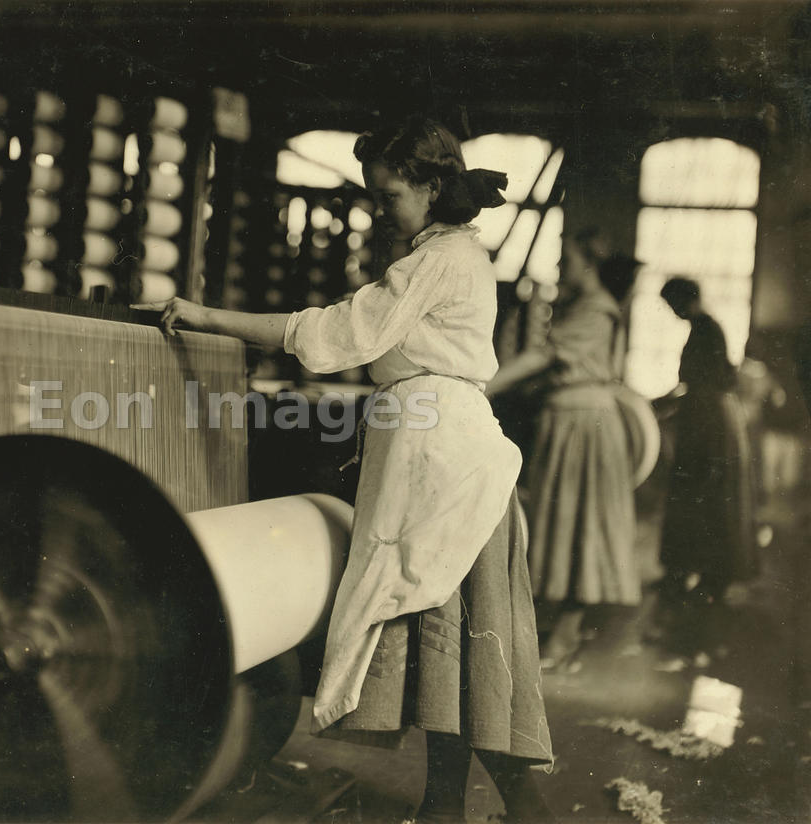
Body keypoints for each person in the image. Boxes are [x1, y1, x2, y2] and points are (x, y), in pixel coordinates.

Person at [136, 115, 553, 823]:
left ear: (430, 187)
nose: (380, 210)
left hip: (444, 471)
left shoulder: (439, 259)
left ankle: (527, 814)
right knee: (446, 659)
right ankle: (444, 807)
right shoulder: (447, 253)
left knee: (462, 655)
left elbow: (336, 332)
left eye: (389, 196)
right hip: (438, 455)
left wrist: (206, 318)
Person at [485, 228, 639, 671]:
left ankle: (568, 634)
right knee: (561, 525)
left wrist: (485, 386)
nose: (558, 267)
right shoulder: (582, 307)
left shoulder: (597, 310)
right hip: (567, 422)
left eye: (565, 260)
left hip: (585, 426)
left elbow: (542, 357)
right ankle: (560, 628)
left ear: (588, 265)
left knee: (580, 526)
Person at [658, 277, 756, 608]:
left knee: (708, 493)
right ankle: (694, 570)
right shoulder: (701, 327)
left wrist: (668, 402)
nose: (673, 311)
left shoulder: (706, 329)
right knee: (697, 492)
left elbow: (705, 382)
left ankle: (713, 575)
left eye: (673, 304)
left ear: (686, 299)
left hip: (711, 421)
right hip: (704, 416)